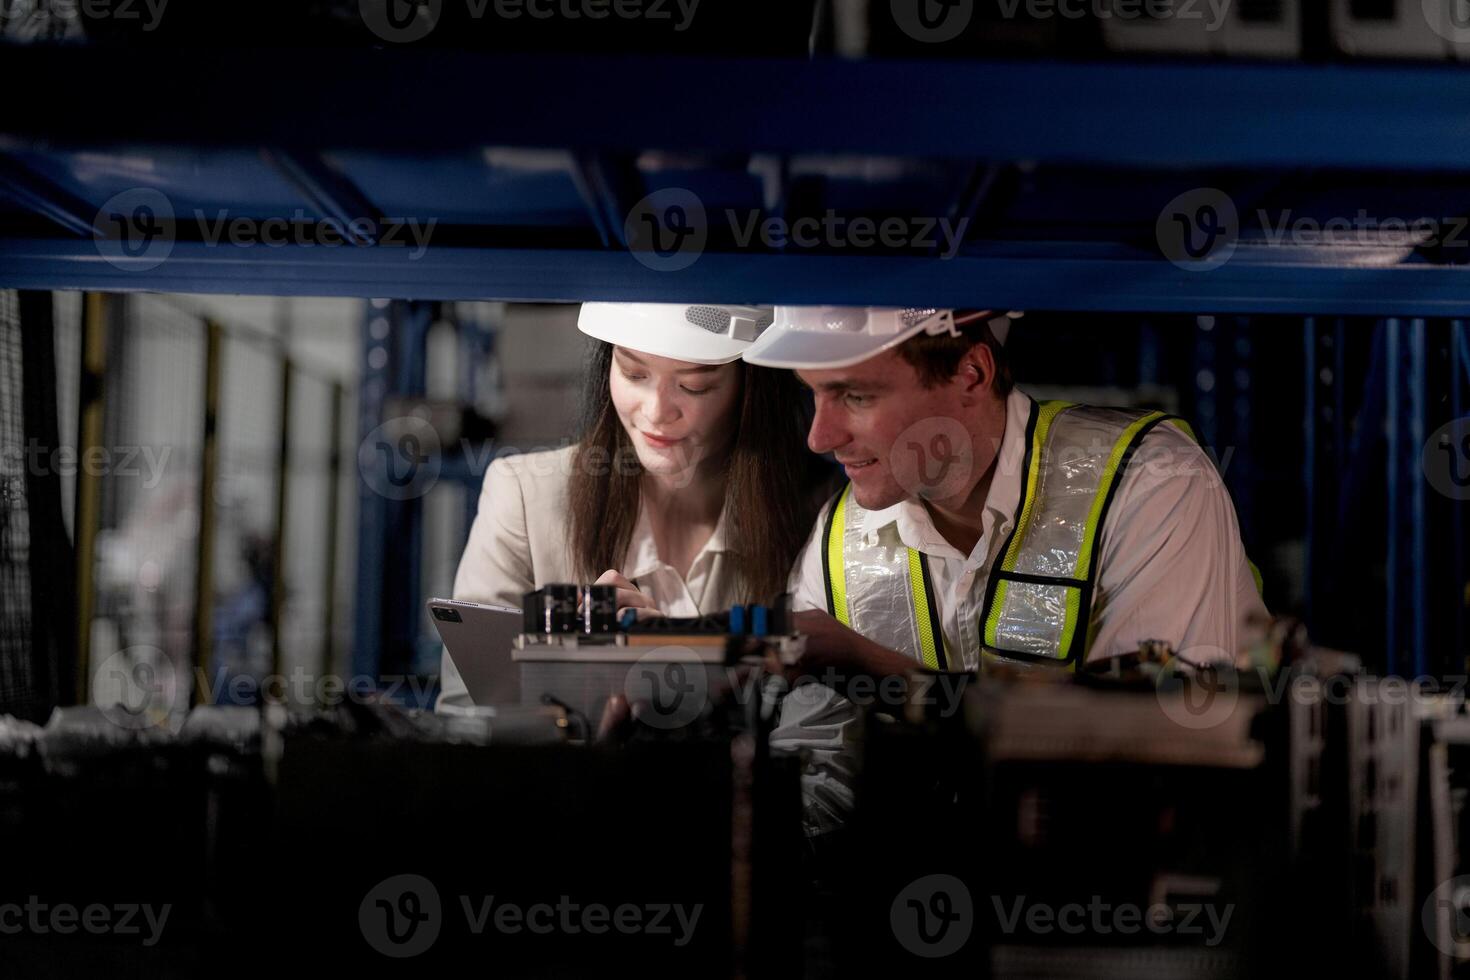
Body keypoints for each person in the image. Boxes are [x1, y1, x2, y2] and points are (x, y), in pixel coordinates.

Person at [743, 306, 1269, 832]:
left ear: (971, 374)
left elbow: (1145, 767)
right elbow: (817, 793)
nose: (820, 436)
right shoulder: (840, 535)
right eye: (813, 393)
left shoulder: (1152, 482)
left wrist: (886, 674)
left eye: (856, 396)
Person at [436, 302, 820, 712]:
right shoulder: (525, 498)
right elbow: (467, 719)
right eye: (634, 373)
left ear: (751, 387)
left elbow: (819, 730)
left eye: (693, 386)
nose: (656, 411)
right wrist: (571, 672)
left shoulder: (816, 510)